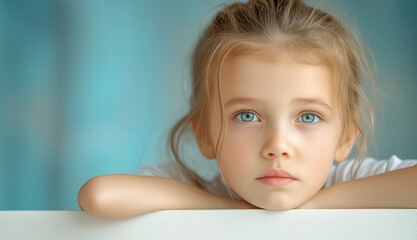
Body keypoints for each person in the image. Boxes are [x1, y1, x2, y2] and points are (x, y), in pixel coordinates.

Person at [77, 0, 417, 219]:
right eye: (247, 116)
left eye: (308, 117)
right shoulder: (192, 188)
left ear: (345, 138)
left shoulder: (345, 181)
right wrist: (230, 210)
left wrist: (313, 206)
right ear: (205, 134)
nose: (278, 146)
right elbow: (99, 195)